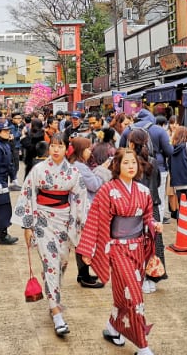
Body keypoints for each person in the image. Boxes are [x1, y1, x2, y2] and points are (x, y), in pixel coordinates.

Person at [76, 147, 162, 355]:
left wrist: (154, 225)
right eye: (126, 163)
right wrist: (88, 249)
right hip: (116, 248)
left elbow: (147, 218)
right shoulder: (108, 190)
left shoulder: (143, 191)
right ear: (116, 165)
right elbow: (96, 219)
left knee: (123, 294)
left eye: (134, 162)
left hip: (138, 248)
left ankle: (113, 327)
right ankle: (142, 345)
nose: (131, 166)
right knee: (134, 295)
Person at [12, 133, 88, 337]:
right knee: (50, 263)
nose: (55, 150)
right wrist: (27, 226)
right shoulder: (38, 170)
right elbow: (27, 196)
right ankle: (56, 312)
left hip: (64, 221)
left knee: (61, 262)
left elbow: (81, 198)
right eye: (53, 146)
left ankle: (53, 293)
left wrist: (84, 224)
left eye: (60, 146)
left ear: (66, 149)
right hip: (42, 221)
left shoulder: (72, 172)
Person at [127, 128, 166, 294]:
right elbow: (156, 184)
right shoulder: (153, 160)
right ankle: (153, 277)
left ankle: (140, 278)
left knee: (136, 244)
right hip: (153, 206)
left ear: (131, 143)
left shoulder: (129, 162)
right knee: (154, 244)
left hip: (135, 207)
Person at [66, 136, 106, 288]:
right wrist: (101, 172)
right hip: (81, 208)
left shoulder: (74, 164)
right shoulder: (80, 166)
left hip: (77, 207)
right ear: (81, 150)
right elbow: (95, 184)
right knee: (84, 242)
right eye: (88, 149)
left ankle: (83, 273)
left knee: (80, 241)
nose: (90, 151)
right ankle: (84, 276)